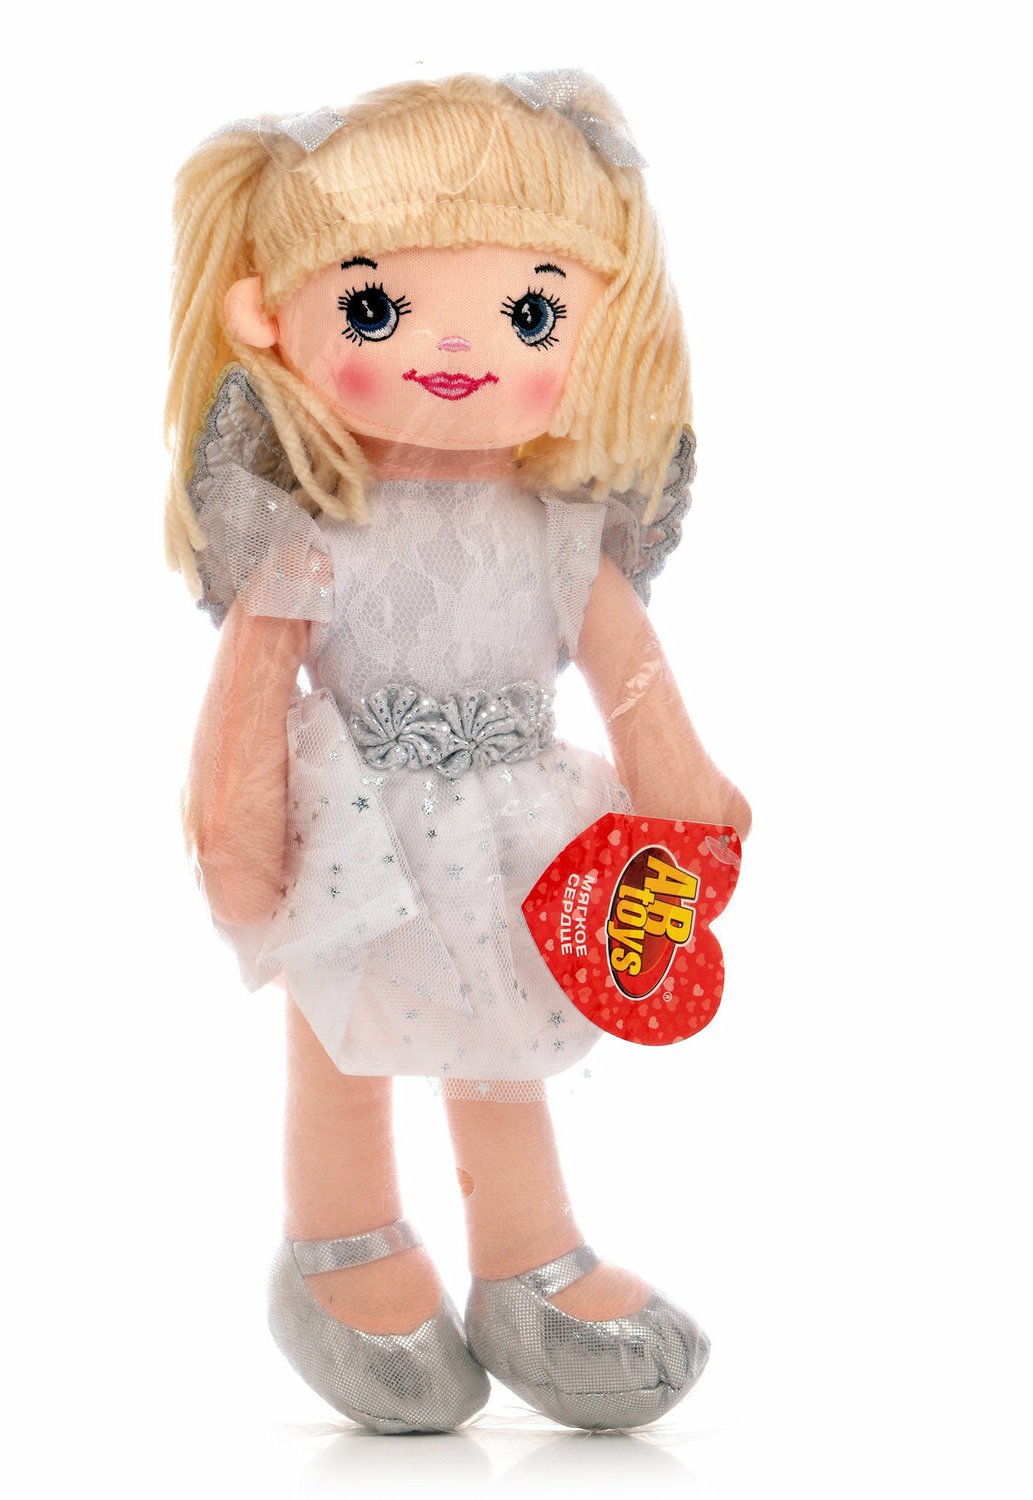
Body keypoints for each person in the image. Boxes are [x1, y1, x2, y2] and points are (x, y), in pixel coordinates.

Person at [164, 70, 752, 1432]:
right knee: (343, 1041)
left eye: (528, 313)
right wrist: (234, 828)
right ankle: (340, 1239)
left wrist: (684, 795)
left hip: (518, 826)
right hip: (355, 818)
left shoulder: (561, 532)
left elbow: (629, 674)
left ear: (600, 321)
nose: (457, 347)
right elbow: (250, 685)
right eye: (373, 309)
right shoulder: (312, 528)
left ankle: (528, 1259)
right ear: (270, 317)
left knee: (503, 1039)